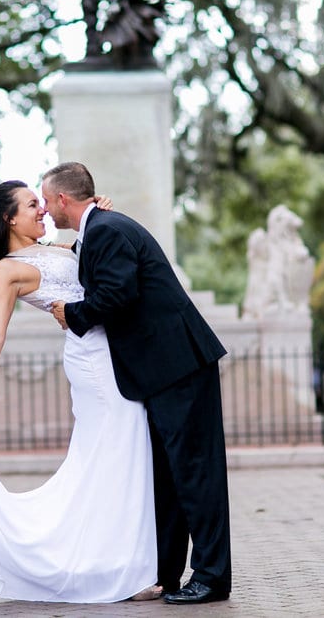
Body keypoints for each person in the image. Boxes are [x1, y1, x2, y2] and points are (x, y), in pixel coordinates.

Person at [0, 182, 161, 604]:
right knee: (117, 452)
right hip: (93, 362)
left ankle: (115, 562)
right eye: (33, 205)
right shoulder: (6, 270)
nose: (43, 210)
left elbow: (93, 253)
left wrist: (96, 211)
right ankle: (124, 572)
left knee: (117, 454)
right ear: (9, 218)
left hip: (111, 353)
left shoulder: (54, 247)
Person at [43, 161, 232, 605]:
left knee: (195, 473)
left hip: (179, 367)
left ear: (64, 199)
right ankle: (167, 574)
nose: (47, 211)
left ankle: (211, 577)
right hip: (161, 371)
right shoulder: (99, 231)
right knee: (167, 479)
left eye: (47, 201)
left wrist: (72, 316)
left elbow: (117, 293)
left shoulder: (107, 229)